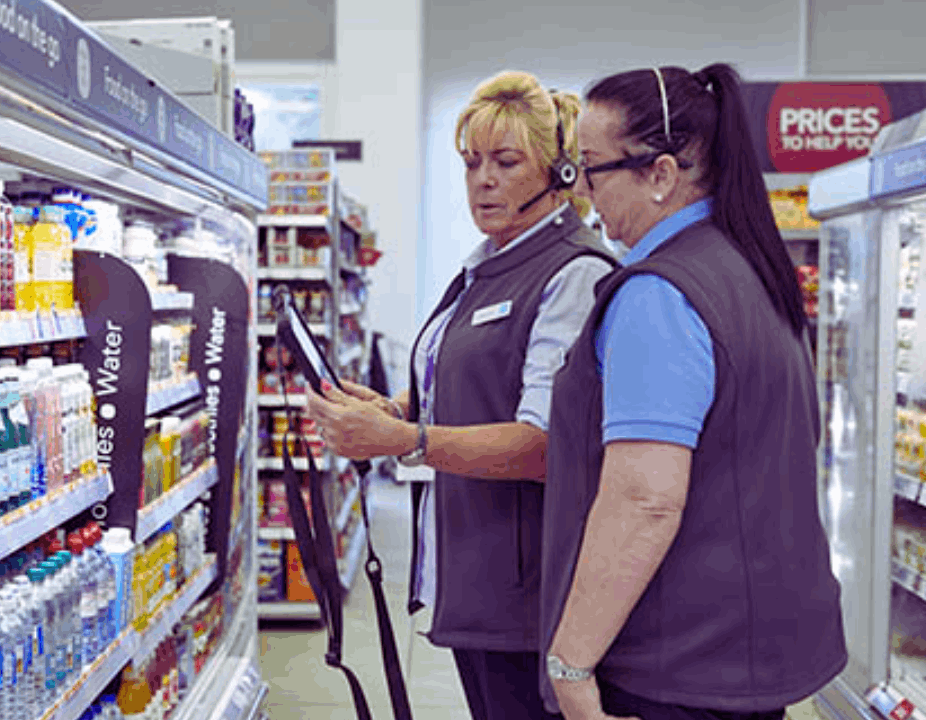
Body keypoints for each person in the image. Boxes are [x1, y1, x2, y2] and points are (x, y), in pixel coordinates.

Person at [538, 63, 847, 720]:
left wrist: (570, 664)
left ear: (660, 174)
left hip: (675, 662)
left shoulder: (659, 296)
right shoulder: (753, 269)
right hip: (748, 653)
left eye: (591, 170)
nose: (583, 193)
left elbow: (644, 502)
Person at [305, 70, 615, 720]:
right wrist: (392, 413)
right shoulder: (487, 265)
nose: (483, 180)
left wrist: (407, 441)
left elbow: (543, 446)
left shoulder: (572, 274)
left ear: (562, 176)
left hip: (526, 599)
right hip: (476, 579)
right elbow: (476, 394)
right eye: (472, 162)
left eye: (506, 162)